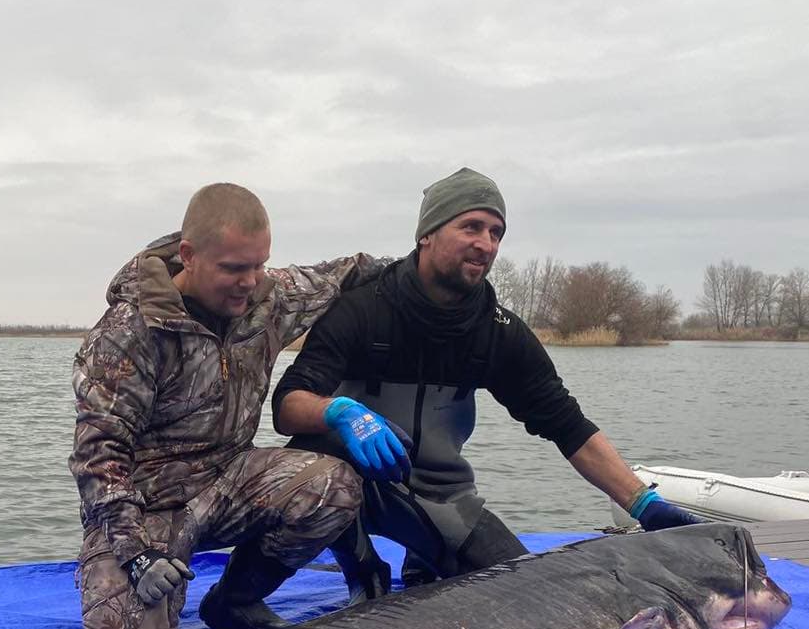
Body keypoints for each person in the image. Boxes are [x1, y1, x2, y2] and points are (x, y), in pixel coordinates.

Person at [271, 166, 701, 603]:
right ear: (427, 234)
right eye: (471, 227)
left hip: (441, 497)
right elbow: (287, 406)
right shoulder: (362, 310)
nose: (486, 243)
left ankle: (426, 556)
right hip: (349, 485)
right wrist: (340, 412)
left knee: (529, 599)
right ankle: (356, 564)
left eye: (496, 232)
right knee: (317, 480)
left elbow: (567, 425)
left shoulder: (498, 333)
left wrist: (641, 503)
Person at [70, 182, 385, 629]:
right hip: (145, 507)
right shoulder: (128, 332)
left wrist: (423, 262)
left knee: (333, 487)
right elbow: (99, 457)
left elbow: (345, 273)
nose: (250, 280)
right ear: (189, 256)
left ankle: (234, 600)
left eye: (259, 264)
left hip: (227, 483)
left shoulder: (267, 297)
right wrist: (134, 554)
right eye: (235, 268)